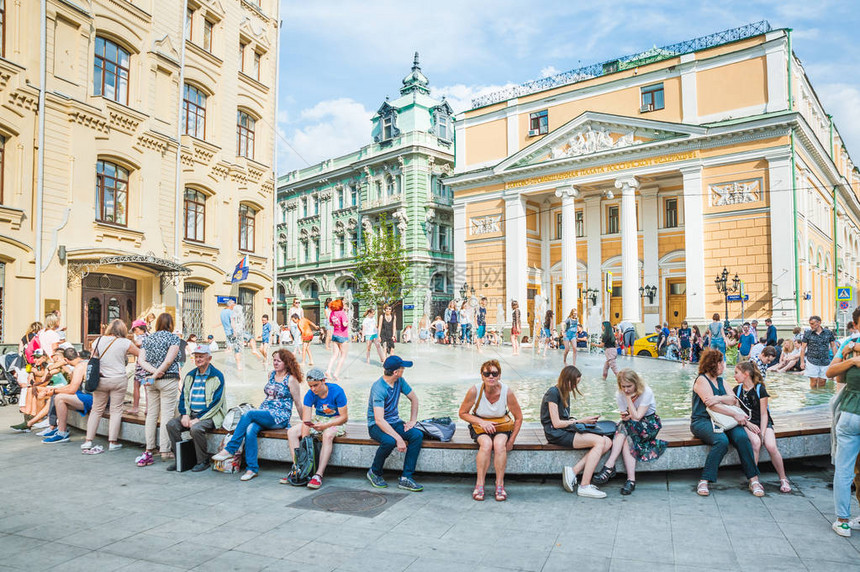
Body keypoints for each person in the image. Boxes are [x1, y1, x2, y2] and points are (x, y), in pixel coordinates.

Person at [212, 348, 303, 481]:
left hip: (279, 417)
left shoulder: (291, 379)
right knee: (250, 429)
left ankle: (230, 449)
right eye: (274, 360)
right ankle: (252, 469)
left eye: (279, 361)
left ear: (286, 362)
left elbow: (298, 402)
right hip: (265, 413)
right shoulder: (271, 374)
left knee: (249, 414)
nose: (275, 363)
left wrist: (305, 422)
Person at [690, 348, 763, 497]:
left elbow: (734, 400)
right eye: (721, 362)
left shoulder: (721, 381)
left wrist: (719, 398)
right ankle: (705, 479)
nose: (724, 365)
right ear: (714, 364)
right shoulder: (701, 380)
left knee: (742, 438)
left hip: (725, 420)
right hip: (703, 421)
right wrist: (734, 414)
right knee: (721, 441)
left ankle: (753, 479)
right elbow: (711, 405)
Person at [591, 369, 667, 495]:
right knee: (627, 434)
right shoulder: (619, 394)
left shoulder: (646, 392)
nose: (626, 390)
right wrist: (625, 416)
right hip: (631, 425)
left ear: (636, 383)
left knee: (625, 427)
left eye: (629, 386)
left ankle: (609, 466)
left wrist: (628, 399)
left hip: (649, 424)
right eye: (623, 386)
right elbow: (626, 415)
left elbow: (637, 416)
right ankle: (631, 480)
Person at [541, 366, 611, 498]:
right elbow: (556, 423)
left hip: (565, 430)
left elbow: (565, 419)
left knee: (607, 442)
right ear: (566, 379)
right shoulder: (553, 393)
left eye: (577, 384)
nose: (574, 387)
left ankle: (573, 471)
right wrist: (580, 421)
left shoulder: (564, 393)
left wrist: (582, 422)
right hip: (555, 433)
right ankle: (584, 485)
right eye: (574, 383)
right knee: (600, 441)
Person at [458, 360, 523, 501]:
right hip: (479, 425)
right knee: (486, 444)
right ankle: (479, 484)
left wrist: (511, 440)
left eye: (494, 373)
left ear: (499, 375)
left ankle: (500, 484)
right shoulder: (474, 390)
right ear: (482, 376)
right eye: (487, 374)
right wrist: (482, 422)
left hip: (502, 426)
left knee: (500, 445)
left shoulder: (507, 392)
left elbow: (518, 417)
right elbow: (462, 413)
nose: (491, 377)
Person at [366, 355, 424, 492]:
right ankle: (374, 472)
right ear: (396, 372)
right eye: (402, 368)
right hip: (376, 425)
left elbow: (414, 399)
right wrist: (399, 439)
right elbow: (379, 420)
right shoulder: (379, 388)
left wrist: (413, 421)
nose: (404, 370)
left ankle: (406, 478)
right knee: (389, 441)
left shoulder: (400, 381)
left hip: (394, 422)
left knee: (417, 435)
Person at [825, 306, 860, 536]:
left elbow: (832, 373)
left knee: (845, 469)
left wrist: (851, 361)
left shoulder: (850, 344)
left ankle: (843, 521)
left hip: (851, 412)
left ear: (855, 323)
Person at [165, 345, 226, 472]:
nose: (198, 359)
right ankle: (180, 459)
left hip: (210, 416)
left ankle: (203, 461)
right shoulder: (190, 375)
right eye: (196, 356)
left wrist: (198, 418)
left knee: (196, 428)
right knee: (171, 425)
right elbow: (184, 397)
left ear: (209, 358)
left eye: (201, 356)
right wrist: (185, 414)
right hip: (191, 413)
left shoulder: (217, 376)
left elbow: (216, 403)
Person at [82, 319, 139, 454]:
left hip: (101, 379)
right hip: (118, 379)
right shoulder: (125, 343)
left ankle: (88, 441)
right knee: (116, 410)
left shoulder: (98, 341)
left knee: (96, 410)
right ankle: (113, 442)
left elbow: (93, 360)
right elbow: (141, 354)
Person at [732, 361, 791, 493]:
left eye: (736, 373)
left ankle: (783, 478)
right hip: (747, 423)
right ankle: (754, 480)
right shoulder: (737, 390)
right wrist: (748, 424)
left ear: (746, 374)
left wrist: (763, 432)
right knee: (756, 443)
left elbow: (764, 414)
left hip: (763, 423)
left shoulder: (760, 389)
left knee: (771, 445)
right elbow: (737, 412)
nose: (734, 376)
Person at [285, 367, 348, 489]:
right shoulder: (310, 395)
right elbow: (306, 421)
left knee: (328, 435)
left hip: (336, 420)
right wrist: (306, 443)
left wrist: (325, 426)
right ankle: (299, 468)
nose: (313, 389)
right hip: (318, 419)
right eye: (310, 386)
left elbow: (344, 417)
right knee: (292, 432)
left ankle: (318, 474)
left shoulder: (337, 391)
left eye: (316, 385)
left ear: (323, 381)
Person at [136, 313, 182, 466]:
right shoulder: (173, 338)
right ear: (171, 324)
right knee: (167, 415)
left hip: (151, 381)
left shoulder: (148, 338)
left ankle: (149, 448)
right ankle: (165, 450)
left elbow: (141, 360)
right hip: (168, 379)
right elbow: (169, 360)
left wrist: (152, 374)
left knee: (151, 414)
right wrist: (157, 373)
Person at [41, 348, 92, 443]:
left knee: (59, 398)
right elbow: (72, 386)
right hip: (94, 396)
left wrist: (55, 391)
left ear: (66, 360)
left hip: (94, 399)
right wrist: (55, 390)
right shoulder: (85, 363)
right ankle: (57, 427)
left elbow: (72, 389)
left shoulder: (80, 366)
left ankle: (62, 433)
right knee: (57, 394)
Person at [800, 315, 838, 388]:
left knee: (822, 382)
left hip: (825, 361)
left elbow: (833, 346)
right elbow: (803, 348)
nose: (811, 326)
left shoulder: (828, 332)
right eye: (810, 324)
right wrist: (802, 362)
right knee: (813, 381)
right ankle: (813, 397)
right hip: (812, 360)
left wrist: (835, 359)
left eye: (812, 324)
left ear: (819, 323)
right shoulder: (808, 333)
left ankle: (820, 397)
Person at [129, 320, 149, 416]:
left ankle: (135, 407)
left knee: (136, 385)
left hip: (141, 365)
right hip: (149, 366)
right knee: (147, 387)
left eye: (135, 329)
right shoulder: (151, 335)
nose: (135, 332)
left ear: (140, 329)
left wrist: (133, 341)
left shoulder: (142, 337)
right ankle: (148, 408)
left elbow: (137, 343)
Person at [326, 299, 349, 381]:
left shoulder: (332, 313)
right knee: (343, 356)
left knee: (335, 355)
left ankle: (328, 371)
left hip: (335, 335)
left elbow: (331, 323)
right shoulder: (342, 313)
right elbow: (344, 324)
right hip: (342, 336)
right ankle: (336, 373)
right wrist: (348, 321)